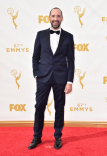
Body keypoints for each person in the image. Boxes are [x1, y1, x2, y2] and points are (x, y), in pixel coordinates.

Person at [28, 7, 75, 150]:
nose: (55, 18)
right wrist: (36, 73)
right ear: (49, 18)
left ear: (62, 18)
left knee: (59, 108)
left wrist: (69, 81)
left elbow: (71, 61)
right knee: (39, 107)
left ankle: (58, 136)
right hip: (43, 77)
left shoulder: (69, 36)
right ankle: (37, 136)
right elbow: (35, 57)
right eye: (53, 16)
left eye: (58, 16)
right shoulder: (40, 35)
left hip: (61, 78)